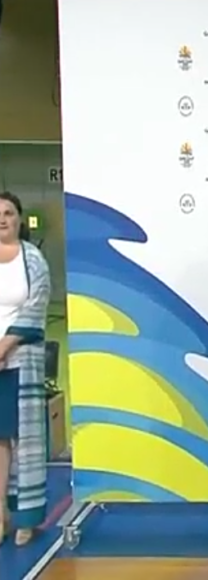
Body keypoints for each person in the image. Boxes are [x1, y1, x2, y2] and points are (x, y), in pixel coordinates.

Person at [0, 191, 51, 547]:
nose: (2, 219)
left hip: (21, 361)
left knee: (25, 443)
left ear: (19, 219)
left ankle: (27, 519)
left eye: (8, 213)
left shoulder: (33, 260)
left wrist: (4, 345)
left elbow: (36, 305)